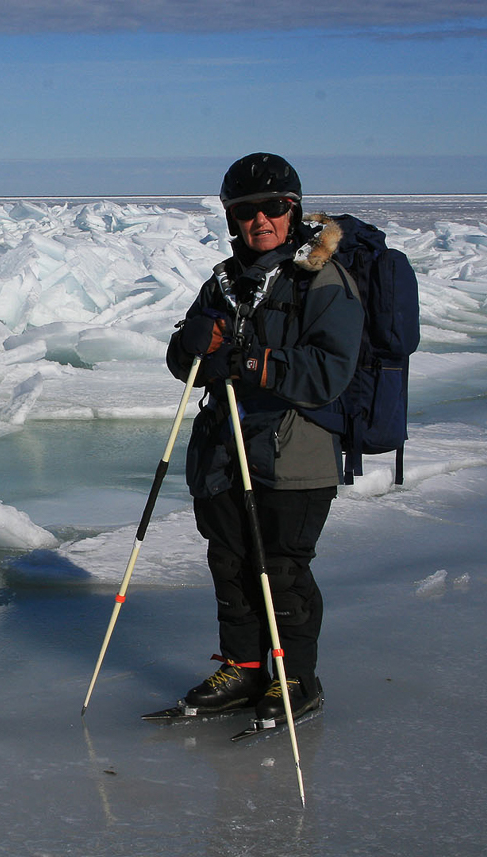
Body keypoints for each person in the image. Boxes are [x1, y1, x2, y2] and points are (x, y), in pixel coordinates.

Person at [165, 153, 363, 724]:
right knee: (229, 562)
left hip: (294, 450)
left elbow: (331, 370)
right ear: (232, 219)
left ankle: (296, 680)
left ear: (293, 210)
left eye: (274, 208)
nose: (261, 221)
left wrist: (253, 364)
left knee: (281, 569)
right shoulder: (223, 282)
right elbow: (187, 364)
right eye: (247, 211)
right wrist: (192, 344)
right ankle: (244, 669)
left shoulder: (322, 279)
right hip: (225, 449)